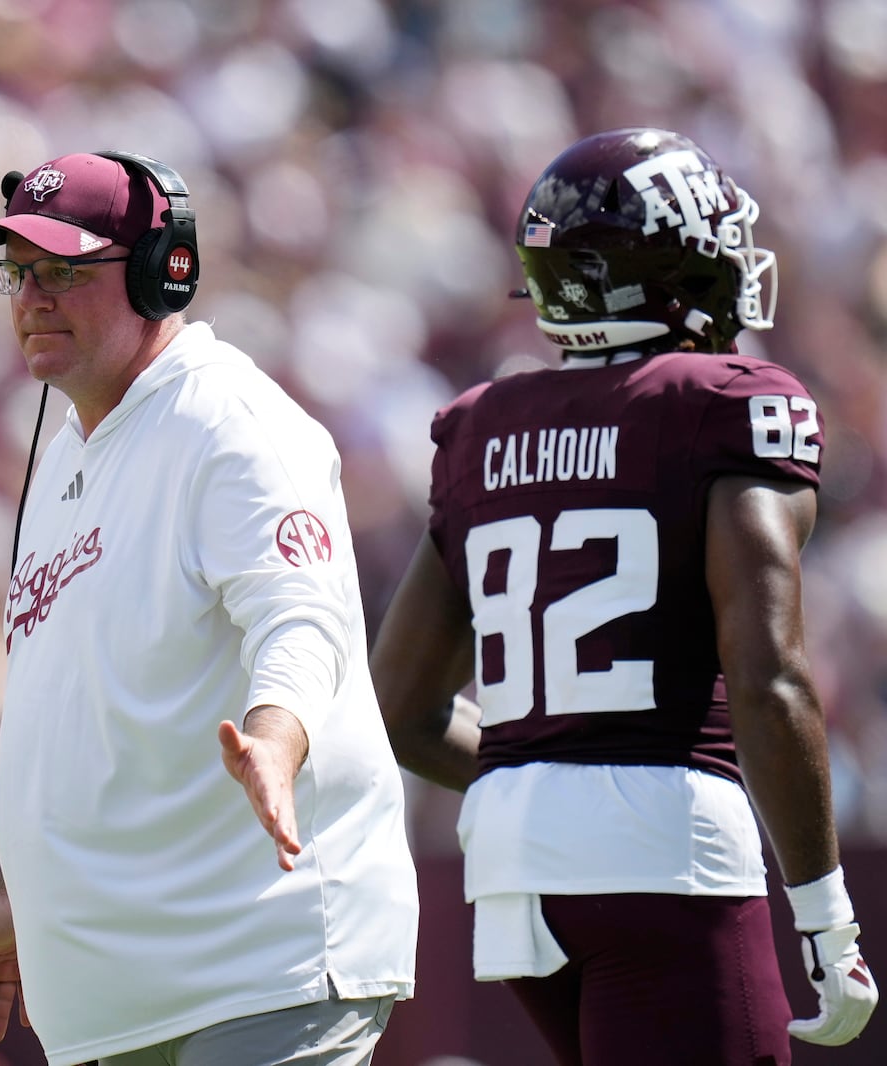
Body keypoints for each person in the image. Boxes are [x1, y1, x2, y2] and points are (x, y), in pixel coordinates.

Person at [369, 127, 879, 1066]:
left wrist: (554, 771)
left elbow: (400, 707)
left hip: (513, 867)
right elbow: (769, 676)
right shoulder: (724, 400)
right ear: (663, 274)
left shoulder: (480, 425)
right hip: (664, 851)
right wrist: (827, 913)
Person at [0, 150, 420, 1066]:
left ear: (164, 274)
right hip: (130, 990)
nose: (32, 297)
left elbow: (301, 618)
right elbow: (94, 707)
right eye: (19, 272)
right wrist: (37, 897)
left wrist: (276, 739)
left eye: (66, 271)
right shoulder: (75, 442)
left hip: (255, 963)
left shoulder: (231, 423)